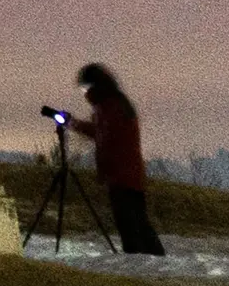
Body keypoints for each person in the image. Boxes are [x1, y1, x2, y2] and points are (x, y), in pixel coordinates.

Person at [62, 61, 167, 255]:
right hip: (127, 175)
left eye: (85, 88)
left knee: (132, 228)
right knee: (139, 224)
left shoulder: (110, 108)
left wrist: (103, 167)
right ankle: (152, 261)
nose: (84, 94)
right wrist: (72, 123)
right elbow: (100, 132)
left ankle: (141, 263)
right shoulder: (113, 104)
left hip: (122, 176)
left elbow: (105, 137)